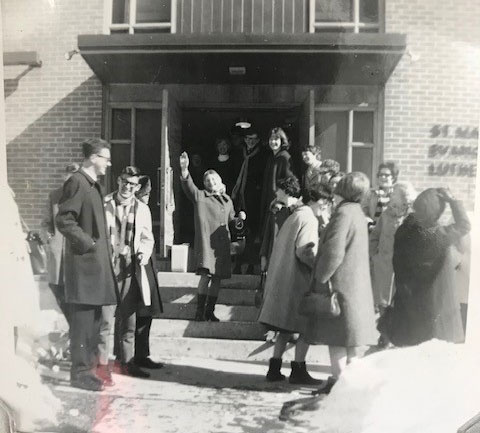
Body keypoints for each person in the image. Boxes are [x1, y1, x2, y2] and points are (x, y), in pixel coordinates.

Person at [304, 172, 378, 393]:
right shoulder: (357, 213)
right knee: (351, 340)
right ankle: (350, 384)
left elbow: (333, 252)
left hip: (338, 287)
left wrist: (320, 277)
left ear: (343, 191)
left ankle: (338, 384)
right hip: (355, 287)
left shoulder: (342, 214)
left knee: (336, 338)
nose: (333, 195)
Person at [56, 138, 117, 392]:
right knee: (82, 326)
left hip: (95, 268)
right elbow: (64, 220)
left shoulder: (93, 185)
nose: (108, 163)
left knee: (92, 324)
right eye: (105, 157)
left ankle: (88, 371)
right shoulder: (77, 182)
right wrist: (88, 244)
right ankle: (80, 373)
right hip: (84, 269)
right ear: (93, 157)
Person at [258, 176, 323, 385]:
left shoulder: (294, 216)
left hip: (285, 279)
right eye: (325, 202)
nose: (326, 206)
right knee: (306, 327)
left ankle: (274, 368)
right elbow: (305, 251)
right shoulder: (309, 219)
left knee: (285, 329)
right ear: (315, 201)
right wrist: (320, 268)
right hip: (299, 281)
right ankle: (298, 370)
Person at [385, 188, 470, 346]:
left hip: (406, 298)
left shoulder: (403, 231)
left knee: (408, 347)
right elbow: (464, 225)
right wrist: (453, 201)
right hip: (432, 303)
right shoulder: (440, 235)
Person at [98, 166, 157, 382]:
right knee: (105, 320)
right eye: (124, 182)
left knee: (129, 320)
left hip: (129, 269)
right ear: (118, 181)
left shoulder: (142, 209)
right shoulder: (104, 204)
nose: (127, 187)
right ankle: (102, 366)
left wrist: (143, 253)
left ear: (137, 187)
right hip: (107, 268)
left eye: (132, 184)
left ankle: (127, 363)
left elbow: (147, 238)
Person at [180, 151, 246, 321]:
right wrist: (184, 169)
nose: (211, 182)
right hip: (206, 244)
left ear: (220, 181)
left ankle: (210, 311)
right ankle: (199, 312)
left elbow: (233, 222)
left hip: (221, 245)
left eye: (214, 179)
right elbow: (189, 186)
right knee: (205, 277)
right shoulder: (200, 196)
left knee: (217, 279)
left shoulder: (227, 200)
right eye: (208, 180)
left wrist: (240, 219)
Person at [41, 162, 80, 328]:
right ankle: (71, 326)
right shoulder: (54, 196)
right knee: (56, 288)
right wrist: (48, 240)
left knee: (76, 293)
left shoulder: (84, 196)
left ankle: (75, 329)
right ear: (64, 177)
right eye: (67, 176)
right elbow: (45, 223)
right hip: (58, 252)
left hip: (77, 254)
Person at [370, 182, 417, 312]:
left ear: (405, 198)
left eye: (394, 193)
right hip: (383, 267)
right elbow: (374, 237)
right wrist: (374, 256)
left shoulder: (412, 217)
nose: (391, 194)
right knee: (383, 306)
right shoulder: (385, 215)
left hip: (403, 269)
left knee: (400, 306)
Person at [134, 175, 164, 370]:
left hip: (147, 262)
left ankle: (142, 353)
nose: (148, 196)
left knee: (147, 309)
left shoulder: (143, 209)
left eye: (149, 193)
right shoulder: (134, 209)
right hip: (138, 264)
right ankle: (136, 355)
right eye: (145, 192)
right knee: (140, 309)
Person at [231, 128, 268, 273]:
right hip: (239, 199)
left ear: (258, 141)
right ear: (244, 140)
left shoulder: (263, 155)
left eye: (254, 139)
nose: (250, 142)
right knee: (239, 231)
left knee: (252, 234)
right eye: (248, 139)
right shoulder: (238, 154)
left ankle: (252, 264)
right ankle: (238, 264)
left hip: (254, 200)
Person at [362, 162, 399, 229]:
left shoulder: (398, 194)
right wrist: (369, 222)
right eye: (380, 174)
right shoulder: (370, 193)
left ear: (393, 177)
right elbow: (363, 212)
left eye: (386, 175)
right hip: (372, 232)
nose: (383, 177)